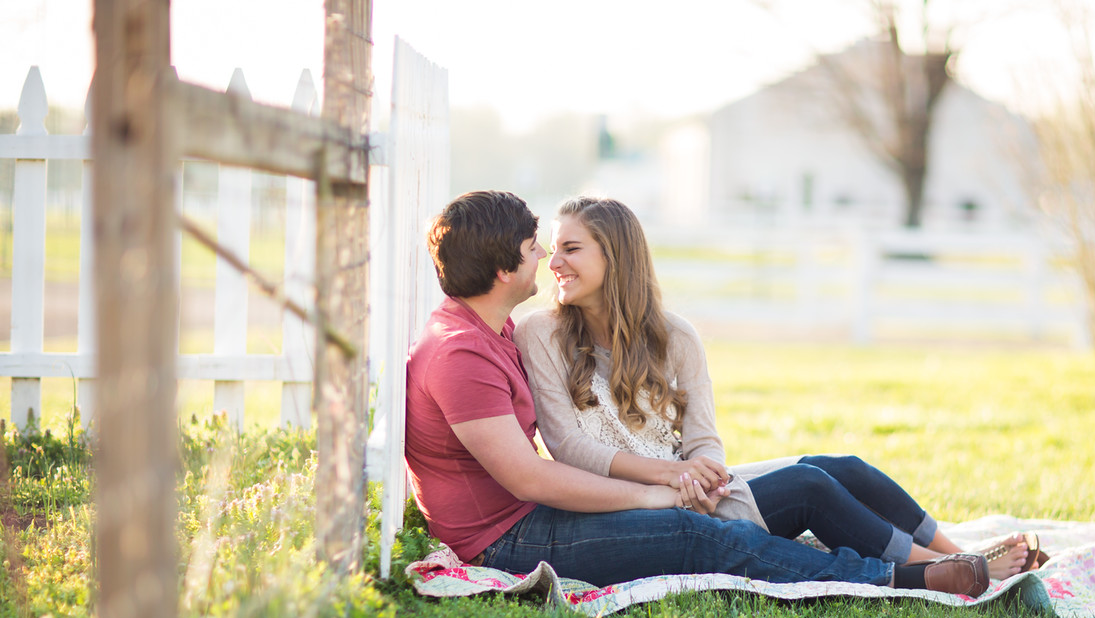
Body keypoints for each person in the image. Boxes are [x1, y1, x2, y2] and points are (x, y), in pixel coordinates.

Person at [403, 189, 991, 596]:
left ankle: (947, 557)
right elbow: (530, 475)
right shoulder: (464, 350)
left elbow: (694, 439)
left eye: (560, 248)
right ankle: (897, 581)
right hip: (507, 540)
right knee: (699, 535)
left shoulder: (491, 330)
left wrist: (691, 476)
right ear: (505, 270)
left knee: (825, 472)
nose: (547, 260)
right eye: (537, 248)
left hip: (541, 515)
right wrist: (656, 494)